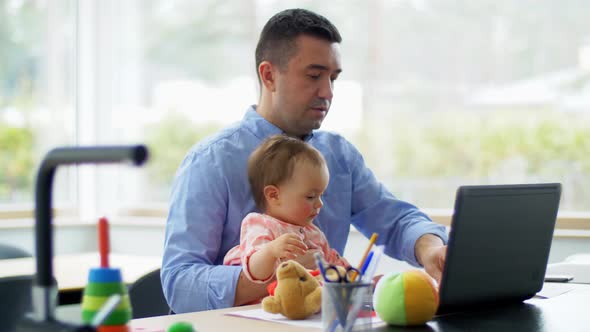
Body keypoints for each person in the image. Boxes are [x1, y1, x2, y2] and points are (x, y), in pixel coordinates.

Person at [161, 8, 448, 314]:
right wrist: (287, 277)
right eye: (314, 76)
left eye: (333, 78)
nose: (327, 92)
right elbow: (180, 284)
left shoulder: (339, 155)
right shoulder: (211, 162)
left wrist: (431, 250)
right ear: (269, 75)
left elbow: (397, 220)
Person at [223, 134, 349, 283]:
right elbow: (255, 272)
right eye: (310, 197)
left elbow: (335, 267)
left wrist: (352, 274)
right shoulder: (261, 225)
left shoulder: (314, 234)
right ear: (274, 195)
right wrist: (271, 251)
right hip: (266, 306)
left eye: (321, 195)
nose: (320, 204)